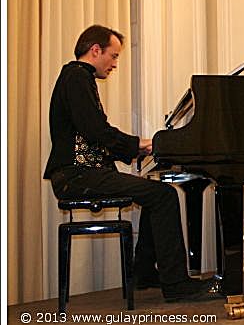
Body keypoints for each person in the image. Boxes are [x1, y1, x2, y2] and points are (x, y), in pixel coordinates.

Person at [44, 24, 221, 302]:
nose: (115, 64)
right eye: (113, 56)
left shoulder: (77, 77)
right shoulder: (77, 77)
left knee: (155, 194)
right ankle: (176, 285)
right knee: (163, 195)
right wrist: (139, 144)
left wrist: (137, 148)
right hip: (76, 175)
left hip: (79, 172)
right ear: (95, 50)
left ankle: (145, 273)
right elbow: (97, 132)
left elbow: (93, 136)